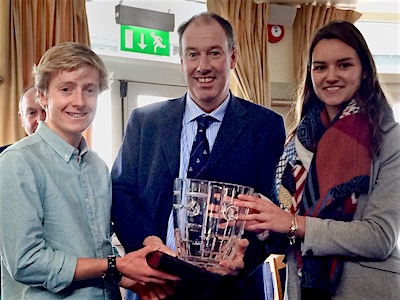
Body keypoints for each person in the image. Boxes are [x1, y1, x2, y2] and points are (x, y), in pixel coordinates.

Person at [111, 12, 286, 299]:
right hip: (154, 286)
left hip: (231, 290)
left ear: (232, 57)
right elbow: (121, 193)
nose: (203, 66)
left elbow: (271, 213)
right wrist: (148, 242)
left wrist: (245, 257)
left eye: (214, 53)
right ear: (182, 61)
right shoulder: (144, 122)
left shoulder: (265, 127)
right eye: (193, 54)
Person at [0, 42, 180, 299]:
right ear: (42, 96)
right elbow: (26, 262)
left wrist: (132, 279)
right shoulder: (17, 162)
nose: (79, 101)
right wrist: (115, 265)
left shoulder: (97, 166)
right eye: (66, 89)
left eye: (90, 90)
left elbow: (97, 249)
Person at [234, 20, 400, 299]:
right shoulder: (296, 142)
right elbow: (288, 235)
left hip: (366, 290)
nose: (330, 75)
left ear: (364, 72)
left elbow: (380, 237)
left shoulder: (389, 138)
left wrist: (291, 223)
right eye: (320, 67)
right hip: (303, 290)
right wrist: (262, 226)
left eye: (344, 65)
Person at [0, 86, 46, 153]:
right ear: (22, 119)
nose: (40, 120)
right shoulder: (5, 157)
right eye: (32, 113)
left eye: (45, 111)